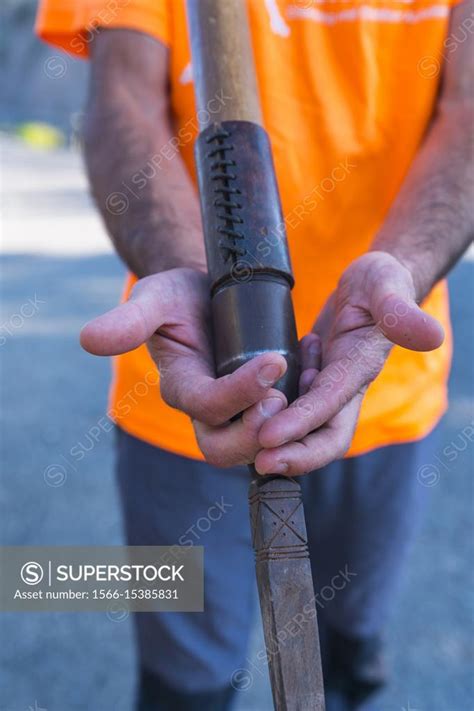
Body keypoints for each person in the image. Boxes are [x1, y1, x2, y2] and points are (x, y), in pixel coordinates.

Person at [37, 1, 473, 709]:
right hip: (186, 389)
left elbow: (468, 114)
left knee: (347, 646)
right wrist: (199, 280)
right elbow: (124, 100)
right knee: (186, 681)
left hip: (385, 380)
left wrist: (402, 267)